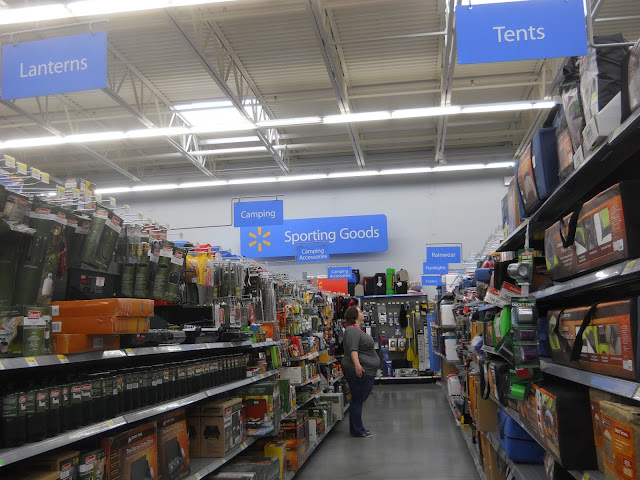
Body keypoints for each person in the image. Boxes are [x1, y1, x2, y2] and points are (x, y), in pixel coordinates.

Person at [341, 305, 380, 438]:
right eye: (360, 311)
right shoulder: (352, 330)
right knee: (357, 400)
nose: (362, 313)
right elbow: (353, 350)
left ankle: (357, 429)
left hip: (365, 370)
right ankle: (358, 430)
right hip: (360, 370)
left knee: (358, 400)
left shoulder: (355, 330)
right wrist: (357, 365)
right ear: (355, 316)